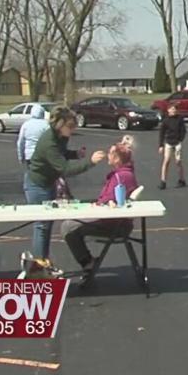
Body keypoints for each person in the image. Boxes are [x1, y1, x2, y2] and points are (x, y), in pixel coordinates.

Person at [26, 108, 106, 259]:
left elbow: (61, 153)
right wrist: (90, 162)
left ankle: (44, 262)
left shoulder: (61, 137)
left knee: (47, 226)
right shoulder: (49, 142)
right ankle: (38, 266)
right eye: (70, 126)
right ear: (59, 125)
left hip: (49, 183)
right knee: (42, 226)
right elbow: (65, 169)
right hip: (37, 185)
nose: (73, 129)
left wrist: (75, 154)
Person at [61, 136, 138, 276]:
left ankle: (87, 262)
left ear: (117, 159)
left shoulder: (121, 177)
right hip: (115, 221)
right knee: (70, 224)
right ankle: (87, 261)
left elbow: (109, 201)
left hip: (114, 224)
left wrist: (95, 205)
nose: (107, 155)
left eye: (110, 153)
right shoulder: (122, 174)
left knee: (68, 227)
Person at [158, 104, 187, 190]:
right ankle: (163, 181)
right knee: (166, 161)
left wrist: (180, 139)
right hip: (168, 143)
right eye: (172, 109)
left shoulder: (180, 119)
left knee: (178, 161)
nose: (173, 111)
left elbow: (183, 130)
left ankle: (181, 179)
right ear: (168, 110)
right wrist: (161, 145)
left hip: (177, 142)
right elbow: (161, 133)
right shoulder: (166, 120)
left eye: (175, 109)